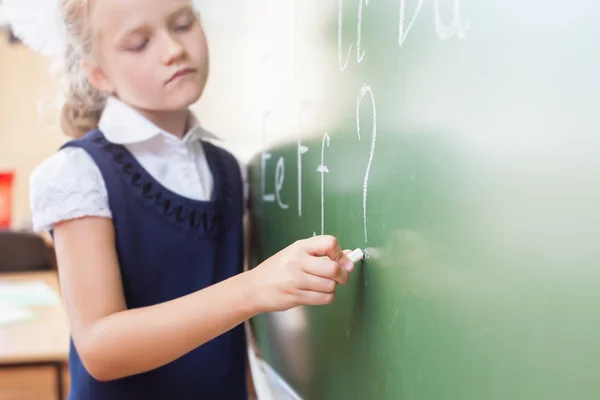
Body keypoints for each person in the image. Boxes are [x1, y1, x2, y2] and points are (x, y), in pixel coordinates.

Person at [5, 0, 356, 398]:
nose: (173, 49)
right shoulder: (79, 174)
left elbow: (233, 339)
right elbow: (100, 348)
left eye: (184, 24)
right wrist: (253, 289)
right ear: (98, 73)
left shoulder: (228, 170)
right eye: (139, 43)